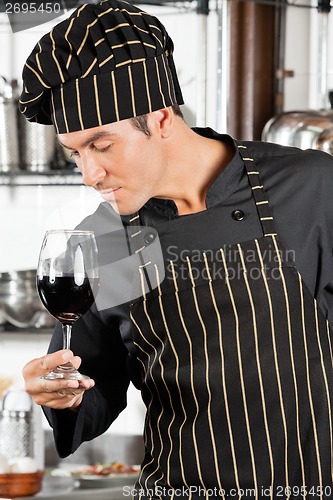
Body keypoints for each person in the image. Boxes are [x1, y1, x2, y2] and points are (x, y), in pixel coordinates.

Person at [20, 1, 333, 498]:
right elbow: (95, 388)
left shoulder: (309, 191)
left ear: (162, 118)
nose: (89, 175)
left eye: (102, 146)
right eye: (74, 153)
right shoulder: (104, 240)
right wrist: (62, 398)